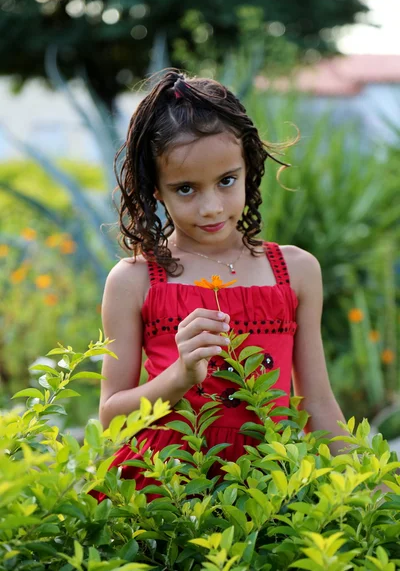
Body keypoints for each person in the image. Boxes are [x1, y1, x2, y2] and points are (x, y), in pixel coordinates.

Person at [89, 69, 348, 503]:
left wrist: (371, 492)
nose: (211, 207)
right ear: (156, 191)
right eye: (186, 189)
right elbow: (110, 417)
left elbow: (318, 404)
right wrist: (180, 376)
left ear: (249, 168)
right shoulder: (135, 280)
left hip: (270, 487)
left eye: (227, 181)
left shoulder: (296, 271)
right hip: (166, 491)